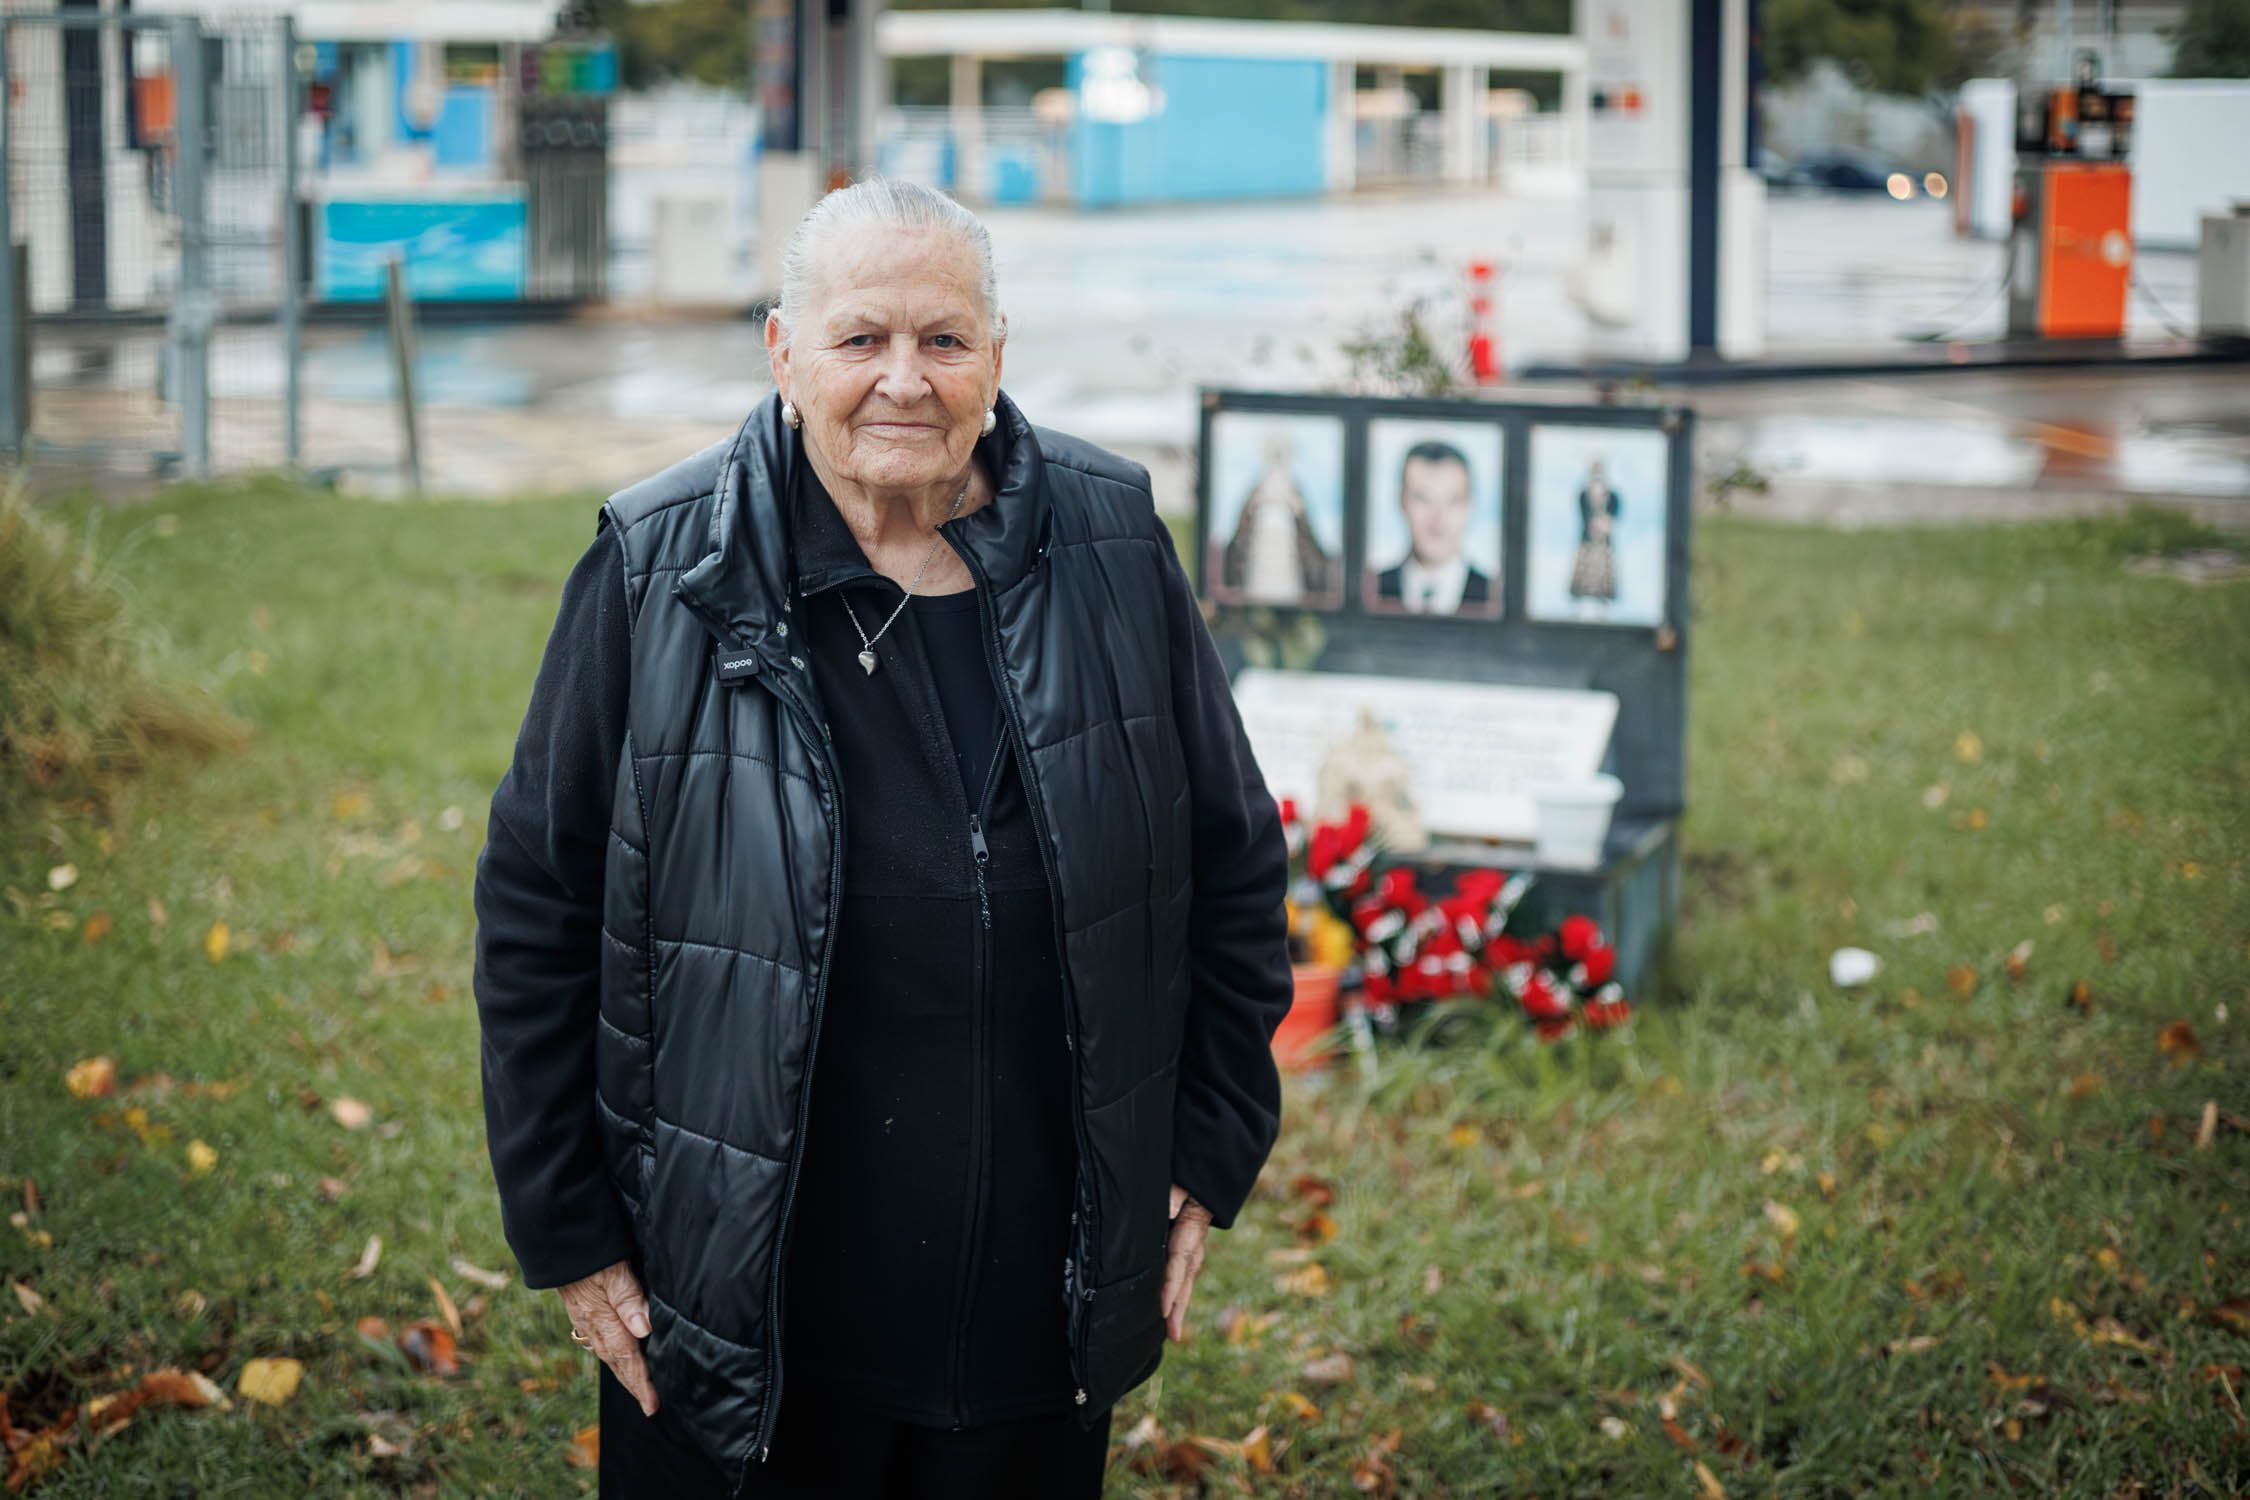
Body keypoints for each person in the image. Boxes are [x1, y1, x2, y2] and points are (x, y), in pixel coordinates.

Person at [469, 176, 1295, 1499]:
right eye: (860, 338)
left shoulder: (1111, 541)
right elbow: (535, 907)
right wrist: (568, 1223)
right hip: (736, 1317)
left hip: (1035, 1316)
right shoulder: (658, 567)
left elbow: (1235, 859)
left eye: (943, 339)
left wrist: (1207, 1146)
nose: (903, 380)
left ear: (996, 356)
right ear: (783, 353)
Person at [1369, 440, 1491, 615]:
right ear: (1402, 501)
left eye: (1453, 501)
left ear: (1469, 506)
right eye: (1423, 499)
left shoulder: (1495, 599)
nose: (1438, 519)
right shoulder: (1371, 594)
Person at [1219, 433, 1334, 604]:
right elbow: (1242, 527)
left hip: (1289, 563)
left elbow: (1306, 530)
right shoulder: (1257, 489)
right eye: (1274, 452)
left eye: (1280, 452)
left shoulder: (1294, 489)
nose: (1277, 458)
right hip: (1258, 566)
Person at [1566, 457, 1621, 620]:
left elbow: (1613, 515)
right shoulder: (1584, 494)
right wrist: (1594, 525)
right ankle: (1578, 610)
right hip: (1588, 541)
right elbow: (1584, 514)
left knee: (1603, 575)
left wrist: (1605, 524)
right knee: (1584, 573)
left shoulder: (1611, 495)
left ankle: (1603, 611)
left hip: (1603, 543)